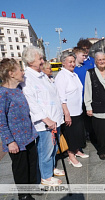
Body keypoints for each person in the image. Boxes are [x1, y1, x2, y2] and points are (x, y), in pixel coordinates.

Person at [21, 46, 64, 186]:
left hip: (54, 119)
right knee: (45, 150)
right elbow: (31, 102)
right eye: (40, 58)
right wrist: (46, 119)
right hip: (45, 123)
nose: (42, 61)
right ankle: (45, 177)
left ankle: (50, 168)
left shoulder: (41, 75)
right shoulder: (27, 78)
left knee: (53, 148)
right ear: (31, 60)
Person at [0, 58, 38, 200]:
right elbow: (1, 120)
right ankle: (23, 196)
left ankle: (29, 190)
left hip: (28, 136)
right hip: (16, 140)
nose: (23, 72)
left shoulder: (18, 90)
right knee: (21, 169)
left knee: (31, 165)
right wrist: (9, 141)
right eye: (20, 70)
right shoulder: (3, 93)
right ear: (11, 73)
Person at [55, 53, 88, 168]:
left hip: (77, 110)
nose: (72, 64)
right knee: (71, 134)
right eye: (70, 62)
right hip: (69, 112)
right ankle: (71, 155)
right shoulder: (61, 76)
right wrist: (66, 113)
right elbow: (61, 97)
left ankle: (77, 150)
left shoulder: (73, 74)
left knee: (78, 132)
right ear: (63, 63)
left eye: (73, 61)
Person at [73, 46, 94, 142]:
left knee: (89, 118)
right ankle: (83, 136)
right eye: (82, 56)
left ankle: (90, 135)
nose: (84, 58)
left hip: (87, 97)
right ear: (76, 55)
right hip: (78, 99)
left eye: (85, 56)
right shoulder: (72, 70)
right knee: (81, 120)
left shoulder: (86, 67)